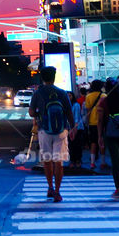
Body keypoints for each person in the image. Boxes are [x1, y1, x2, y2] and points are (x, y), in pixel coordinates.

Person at [29, 66, 74, 203]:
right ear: (54, 78)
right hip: (61, 131)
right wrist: (72, 128)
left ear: (42, 78)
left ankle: (50, 187)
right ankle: (58, 192)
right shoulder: (62, 92)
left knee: (47, 161)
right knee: (58, 163)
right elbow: (69, 112)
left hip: (44, 130)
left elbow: (31, 112)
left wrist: (39, 115)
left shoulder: (38, 93)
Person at [84, 80, 105, 171]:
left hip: (92, 122)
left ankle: (92, 162)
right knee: (102, 141)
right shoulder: (104, 96)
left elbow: (88, 111)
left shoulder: (88, 96)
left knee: (93, 142)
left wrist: (87, 123)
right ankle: (103, 162)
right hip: (103, 122)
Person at [67, 91, 85, 168]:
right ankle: (72, 160)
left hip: (77, 128)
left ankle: (78, 160)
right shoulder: (66, 105)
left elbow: (77, 117)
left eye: (70, 96)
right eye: (67, 96)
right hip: (69, 128)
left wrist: (75, 129)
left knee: (77, 145)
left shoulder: (76, 105)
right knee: (71, 145)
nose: (68, 97)